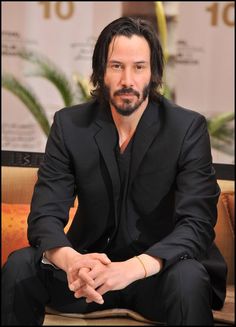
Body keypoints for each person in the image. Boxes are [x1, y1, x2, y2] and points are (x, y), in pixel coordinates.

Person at [2, 16, 227, 326]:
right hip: (87, 277)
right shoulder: (70, 125)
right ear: (100, 72)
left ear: (153, 73)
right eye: (116, 66)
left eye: (139, 67)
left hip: (155, 275)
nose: (127, 81)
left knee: (188, 277)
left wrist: (134, 268)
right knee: (19, 265)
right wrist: (72, 261)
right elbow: (44, 215)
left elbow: (198, 223)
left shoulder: (186, 128)